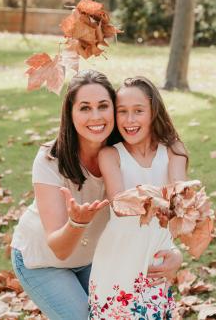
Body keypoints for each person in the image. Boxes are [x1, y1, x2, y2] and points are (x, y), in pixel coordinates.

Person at [10, 70, 182, 320]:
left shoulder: (123, 154)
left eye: (103, 106)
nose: (96, 116)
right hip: (44, 262)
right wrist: (77, 221)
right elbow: (59, 248)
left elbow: (158, 209)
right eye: (85, 108)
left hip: (98, 257)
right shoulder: (50, 159)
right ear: (70, 114)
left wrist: (176, 253)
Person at [89, 76, 189, 320]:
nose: (129, 120)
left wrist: (178, 252)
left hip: (154, 263)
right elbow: (121, 203)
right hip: (116, 263)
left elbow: (180, 204)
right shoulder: (111, 155)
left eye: (138, 111)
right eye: (122, 111)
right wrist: (162, 199)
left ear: (153, 112)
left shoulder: (173, 151)